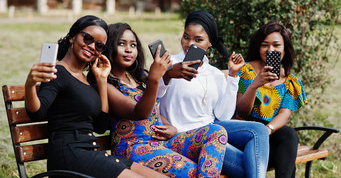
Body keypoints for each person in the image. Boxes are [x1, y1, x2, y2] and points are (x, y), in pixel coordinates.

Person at [24, 15, 166, 178]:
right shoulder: (58, 72)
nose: (91, 46)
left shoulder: (84, 78)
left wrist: (102, 80)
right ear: (72, 37)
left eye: (99, 46)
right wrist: (30, 85)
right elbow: (37, 112)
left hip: (90, 153)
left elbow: (100, 125)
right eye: (87, 38)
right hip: (70, 156)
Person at [105, 22, 228, 178]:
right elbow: (140, 112)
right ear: (109, 47)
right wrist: (156, 78)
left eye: (133, 45)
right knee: (193, 172)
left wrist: (170, 127)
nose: (129, 49)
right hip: (134, 148)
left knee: (217, 131)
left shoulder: (139, 77)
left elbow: (154, 109)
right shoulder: (107, 84)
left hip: (162, 142)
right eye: (121, 44)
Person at [159, 10, 270, 178]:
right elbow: (154, 98)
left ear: (210, 42)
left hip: (212, 128)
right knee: (250, 166)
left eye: (198, 40)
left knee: (259, 130)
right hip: (185, 136)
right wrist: (168, 73)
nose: (189, 44)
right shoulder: (169, 64)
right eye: (186, 37)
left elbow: (223, 115)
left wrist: (233, 76)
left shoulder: (215, 74)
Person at [236, 21, 307, 178]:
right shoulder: (246, 71)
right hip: (244, 130)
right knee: (287, 149)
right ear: (258, 47)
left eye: (276, 45)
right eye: (265, 45)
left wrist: (267, 130)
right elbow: (241, 110)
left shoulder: (289, 81)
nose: (270, 50)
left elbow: (285, 113)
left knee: (289, 135)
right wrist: (255, 85)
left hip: (268, 133)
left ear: (284, 49)